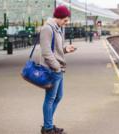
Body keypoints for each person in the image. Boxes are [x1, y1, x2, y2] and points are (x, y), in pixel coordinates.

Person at [39, 5, 76, 134]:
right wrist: (56, 67)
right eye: (65, 20)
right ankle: (48, 128)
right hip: (52, 70)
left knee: (58, 97)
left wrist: (66, 50)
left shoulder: (57, 28)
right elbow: (46, 52)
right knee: (50, 99)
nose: (66, 23)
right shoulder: (47, 29)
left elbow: (55, 50)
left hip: (58, 69)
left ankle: (47, 124)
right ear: (58, 17)